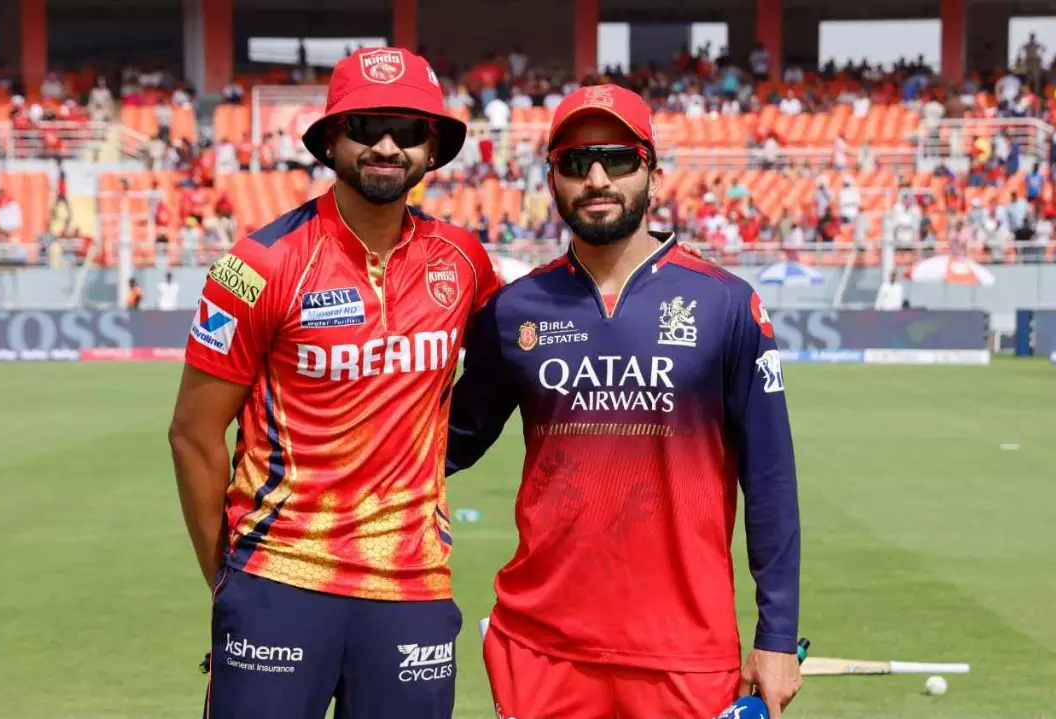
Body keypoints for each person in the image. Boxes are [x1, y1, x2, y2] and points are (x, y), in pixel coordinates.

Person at [445, 85, 802, 719]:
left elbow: (769, 479)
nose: (598, 178)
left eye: (618, 158)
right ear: (552, 180)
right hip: (542, 646)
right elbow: (449, 442)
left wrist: (776, 636)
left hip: (685, 651)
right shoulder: (515, 310)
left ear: (653, 175)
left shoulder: (726, 304)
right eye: (575, 163)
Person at [167, 47, 499, 719]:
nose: (385, 144)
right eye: (366, 124)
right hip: (280, 580)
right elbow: (194, 435)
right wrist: (228, 584)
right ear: (329, 141)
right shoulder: (257, 265)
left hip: (412, 586)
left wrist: (437, 454)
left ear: (432, 147)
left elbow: (503, 371)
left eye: (407, 130)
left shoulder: (463, 259)